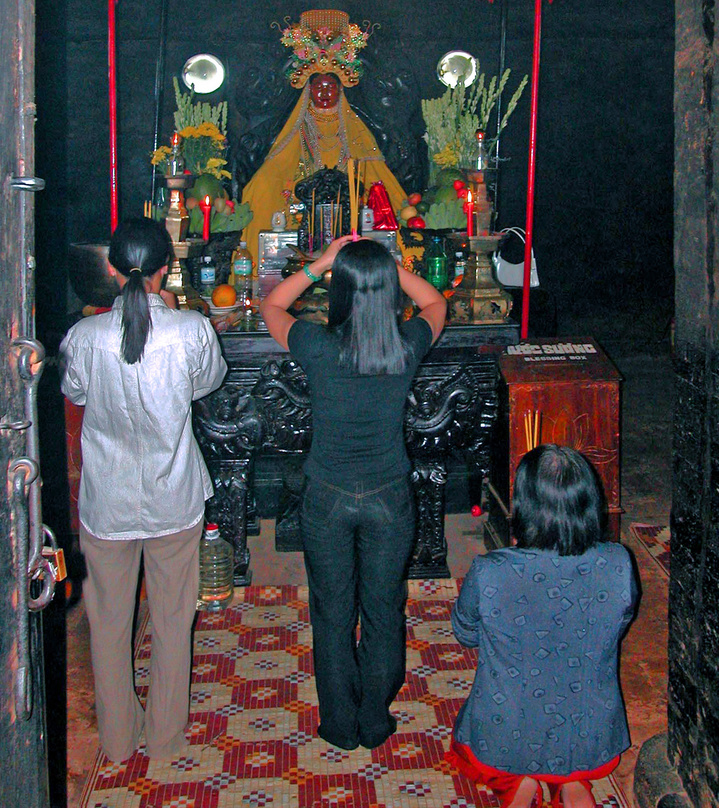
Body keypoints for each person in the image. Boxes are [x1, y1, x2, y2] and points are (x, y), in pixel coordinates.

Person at [260, 236, 447, 750]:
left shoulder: (318, 346)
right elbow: (437, 302)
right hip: (389, 494)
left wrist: (321, 264)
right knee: (384, 609)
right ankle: (375, 720)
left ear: (339, 290)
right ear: (388, 291)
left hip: (327, 495)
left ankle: (340, 725)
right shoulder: (407, 344)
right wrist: (388, 267)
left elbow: (271, 304)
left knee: (332, 611)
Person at [60, 217, 227, 763]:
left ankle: (116, 740)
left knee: (108, 625)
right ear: (167, 268)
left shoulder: (84, 337)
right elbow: (208, 382)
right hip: (173, 497)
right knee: (174, 621)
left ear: (110, 268)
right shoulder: (192, 329)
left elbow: (75, 392)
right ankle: (164, 738)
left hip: (106, 501)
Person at [447, 445, 639, 808]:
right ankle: (572, 781)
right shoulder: (618, 563)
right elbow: (618, 626)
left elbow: (465, 632)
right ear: (588, 503)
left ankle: (524, 781)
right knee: (568, 746)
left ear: (524, 507)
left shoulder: (491, 570)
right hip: (591, 740)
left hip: (504, 738)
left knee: (494, 742)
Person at [241, 10, 407, 266]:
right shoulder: (300, 123)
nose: (324, 93)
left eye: (331, 87)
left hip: (349, 196)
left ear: (341, 90)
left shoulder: (353, 125)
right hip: (302, 193)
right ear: (309, 90)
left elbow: (370, 165)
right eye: (318, 87)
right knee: (261, 187)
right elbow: (280, 162)